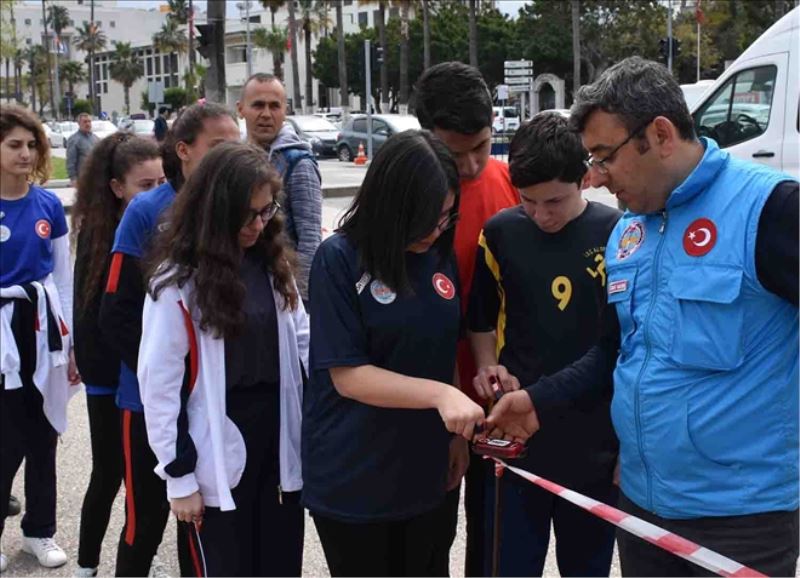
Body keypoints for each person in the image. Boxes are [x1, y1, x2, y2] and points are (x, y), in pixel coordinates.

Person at [487, 56, 799, 576]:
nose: (596, 177)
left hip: (741, 520)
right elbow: (614, 351)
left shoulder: (769, 210)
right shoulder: (628, 232)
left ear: (660, 135)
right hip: (641, 508)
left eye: (604, 157)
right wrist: (538, 401)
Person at [302, 130, 485, 577]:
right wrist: (442, 397)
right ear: (391, 205)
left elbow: (443, 345)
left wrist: (456, 437)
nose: (435, 230)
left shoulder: (436, 251)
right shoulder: (339, 260)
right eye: (424, 219)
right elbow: (349, 375)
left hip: (425, 474)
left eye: (445, 217)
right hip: (356, 477)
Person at [139, 141, 308, 577]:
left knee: (279, 563)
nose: (257, 225)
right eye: (246, 215)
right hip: (215, 438)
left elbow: (303, 342)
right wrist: (179, 478)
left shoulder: (274, 265)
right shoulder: (178, 282)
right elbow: (159, 386)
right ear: (215, 210)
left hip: (278, 436)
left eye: (266, 211)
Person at [468, 111, 620, 576]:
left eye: (554, 201)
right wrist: (487, 366)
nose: (541, 214)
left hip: (595, 442)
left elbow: (627, 346)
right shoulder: (500, 233)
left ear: (585, 177)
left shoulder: (618, 234)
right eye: (528, 201)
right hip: (518, 440)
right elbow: (479, 322)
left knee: (587, 567)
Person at [99, 102, 241, 577]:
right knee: (145, 524)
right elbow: (115, 310)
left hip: (215, 405)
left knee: (200, 527)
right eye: (220, 146)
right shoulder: (146, 210)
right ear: (183, 150)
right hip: (147, 403)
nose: (232, 155)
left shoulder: (239, 209)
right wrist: (170, 373)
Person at [412, 61, 519, 576]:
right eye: (459, 154)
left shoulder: (512, 181)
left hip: (501, 395)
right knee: (431, 536)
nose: (475, 164)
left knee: (494, 537)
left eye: (484, 145)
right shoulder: (403, 198)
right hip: (426, 397)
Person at [70, 133, 165, 577]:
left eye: (161, 181)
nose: (156, 192)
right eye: (145, 185)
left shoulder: (157, 223)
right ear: (117, 187)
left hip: (137, 368)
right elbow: (93, 312)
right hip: (111, 372)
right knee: (107, 473)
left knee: (138, 485)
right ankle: (87, 563)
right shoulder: (100, 232)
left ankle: (130, 556)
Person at [0, 104, 80, 572]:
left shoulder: (48, 205)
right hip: (1, 335)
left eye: (32, 145)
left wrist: (69, 345)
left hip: (41, 327)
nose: (25, 154)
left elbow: (63, 279)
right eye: (14, 145)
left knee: (43, 435)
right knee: (4, 438)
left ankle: (39, 531)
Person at [237, 73, 322, 306]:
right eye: (258, 105)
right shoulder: (233, 159)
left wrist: (299, 300)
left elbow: (310, 239)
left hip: (283, 293)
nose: (266, 114)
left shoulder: (299, 163)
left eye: (275, 106)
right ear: (241, 108)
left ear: (285, 111)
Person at [66, 113, 99, 187]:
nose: (87, 124)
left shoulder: (95, 138)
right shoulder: (74, 140)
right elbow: (70, 161)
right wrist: (73, 179)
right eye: (85, 122)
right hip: (82, 180)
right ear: (79, 123)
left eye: (89, 121)